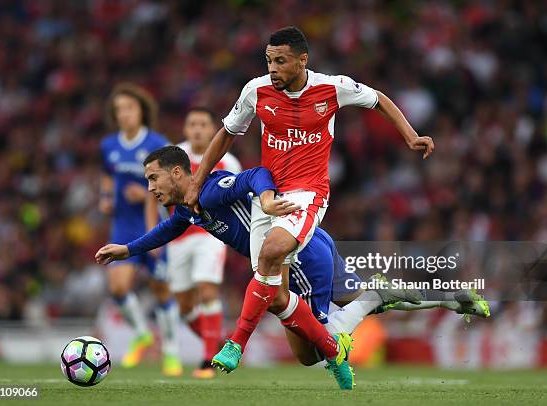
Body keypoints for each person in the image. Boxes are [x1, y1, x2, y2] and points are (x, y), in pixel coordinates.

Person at [96, 146, 488, 389]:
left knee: (317, 342)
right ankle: (447, 300)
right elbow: (168, 229)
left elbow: (256, 174)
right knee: (308, 349)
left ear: (177, 172)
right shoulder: (187, 208)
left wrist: (265, 200)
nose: (150, 187)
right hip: (302, 249)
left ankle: (372, 299)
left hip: (298, 257)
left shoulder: (212, 188)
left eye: (153, 177)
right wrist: (127, 250)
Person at [182, 26, 434, 372]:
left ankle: (234, 344)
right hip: (267, 196)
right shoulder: (256, 91)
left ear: (302, 60)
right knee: (278, 303)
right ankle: (343, 334)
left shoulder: (331, 87)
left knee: (272, 251)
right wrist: (196, 182)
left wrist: (410, 136)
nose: (273, 68)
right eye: (269, 60)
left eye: (281, 61)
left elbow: (377, 99)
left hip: (308, 194)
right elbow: (227, 132)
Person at [99, 83, 182, 376]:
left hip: (152, 224)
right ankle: (141, 333)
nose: (124, 114)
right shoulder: (109, 146)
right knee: (118, 287)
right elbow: (107, 176)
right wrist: (107, 197)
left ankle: (171, 350)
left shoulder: (156, 143)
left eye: (129, 108)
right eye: (119, 109)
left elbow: (173, 185)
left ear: (142, 111)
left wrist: (146, 192)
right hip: (122, 225)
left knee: (161, 289)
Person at [170, 107, 241, 378]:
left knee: (207, 291)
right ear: (186, 129)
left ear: (212, 129)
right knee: (185, 305)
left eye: (203, 124)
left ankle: (207, 358)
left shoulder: (229, 162)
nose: (198, 129)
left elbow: (236, 200)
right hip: (178, 237)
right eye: (192, 124)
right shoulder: (173, 157)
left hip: (210, 234)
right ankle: (218, 343)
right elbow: (157, 193)